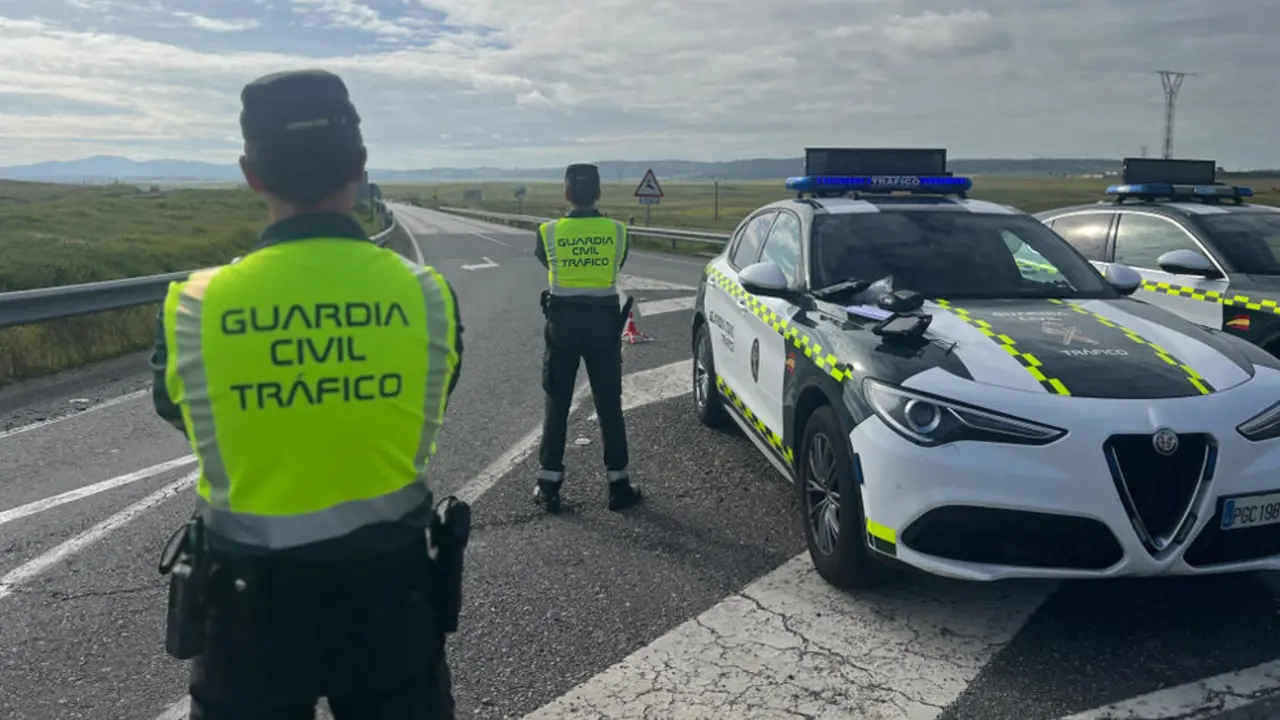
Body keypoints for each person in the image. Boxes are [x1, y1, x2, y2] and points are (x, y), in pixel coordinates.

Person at [148, 68, 464, 719]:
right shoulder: (426, 296)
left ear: (250, 174)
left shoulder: (195, 307)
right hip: (392, 601)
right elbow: (435, 392)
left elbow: (180, 408)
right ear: (360, 165)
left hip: (244, 613)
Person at [532, 163, 643, 513]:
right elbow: (619, 261)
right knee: (609, 404)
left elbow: (543, 260)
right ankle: (618, 485)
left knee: (557, 402)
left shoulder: (548, 232)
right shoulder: (617, 231)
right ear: (598, 193)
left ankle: (548, 486)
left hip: (562, 324)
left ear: (566, 194)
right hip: (603, 325)